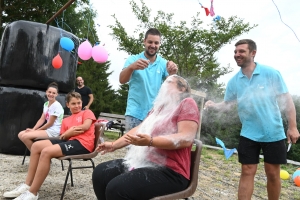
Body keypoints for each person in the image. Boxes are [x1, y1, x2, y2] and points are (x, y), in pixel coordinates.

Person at [204, 39, 299, 200]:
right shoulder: (234, 81)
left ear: (253, 53)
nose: (237, 55)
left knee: (273, 173)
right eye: (235, 52)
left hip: (273, 132)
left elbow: (287, 100)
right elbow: (227, 104)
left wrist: (293, 127)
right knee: (247, 170)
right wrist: (214, 105)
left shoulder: (270, 73)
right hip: (248, 133)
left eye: (241, 51)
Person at [92, 75, 199, 200]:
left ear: (182, 88)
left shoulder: (187, 103)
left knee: (117, 189)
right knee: (101, 173)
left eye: (169, 82)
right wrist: (114, 145)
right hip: (144, 162)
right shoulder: (158, 108)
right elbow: (138, 130)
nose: (163, 85)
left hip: (171, 172)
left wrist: (151, 141)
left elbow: (186, 138)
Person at [3, 92, 96, 199]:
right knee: (36, 146)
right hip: (70, 142)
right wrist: (68, 133)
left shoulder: (87, 113)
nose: (77, 106)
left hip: (83, 144)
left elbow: (85, 126)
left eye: (79, 103)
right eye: (73, 103)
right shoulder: (66, 120)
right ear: (68, 105)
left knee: (46, 152)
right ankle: (27, 185)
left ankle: (33, 193)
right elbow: (63, 137)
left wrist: (69, 132)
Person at [119, 28, 178, 131]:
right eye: (150, 42)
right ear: (144, 41)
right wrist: (131, 67)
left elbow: (170, 87)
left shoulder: (163, 63)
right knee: (131, 146)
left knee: (150, 147)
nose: (153, 45)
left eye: (156, 43)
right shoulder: (133, 59)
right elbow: (122, 80)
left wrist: (172, 74)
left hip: (154, 114)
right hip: (134, 113)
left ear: (160, 44)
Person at [18, 82, 64, 151]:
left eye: (54, 93)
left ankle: (40, 157)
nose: (51, 94)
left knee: (25, 136)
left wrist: (36, 131)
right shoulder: (46, 104)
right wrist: (33, 129)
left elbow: (50, 123)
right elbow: (42, 119)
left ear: (57, 94)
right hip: (47, 130)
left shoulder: (56, 106)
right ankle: (39, 155)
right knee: (20, 134)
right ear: (46, 92)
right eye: (49, 92)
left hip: (54, 131)